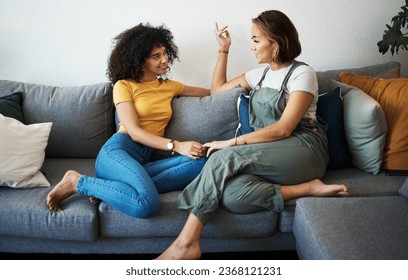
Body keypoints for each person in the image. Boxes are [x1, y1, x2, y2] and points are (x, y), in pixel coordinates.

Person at [157, 10, 349, 260]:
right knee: (233, 196)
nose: (252, 47)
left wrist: (232, 143)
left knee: (223, 157)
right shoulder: (258, 76)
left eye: (256, 40)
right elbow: (217, 91)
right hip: (269, 152)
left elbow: (284, 128)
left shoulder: (302, 74)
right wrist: (223, 49)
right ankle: (308, 188)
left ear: (276, 43)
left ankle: (186, 244)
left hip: (304, 147)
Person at [47, 23, 210, 218]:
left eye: (165, 53)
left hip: (143, 161)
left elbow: (214, 91)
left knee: (202, 162)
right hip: (118, 152)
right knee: (146, 204)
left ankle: (110, 189)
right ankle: (78, 182)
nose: (165, 59)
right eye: (156, 56)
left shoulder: (171, 86)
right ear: (140, 60)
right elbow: (134, 131)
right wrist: (177, 145)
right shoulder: (124, 86)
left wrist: (224, 50)